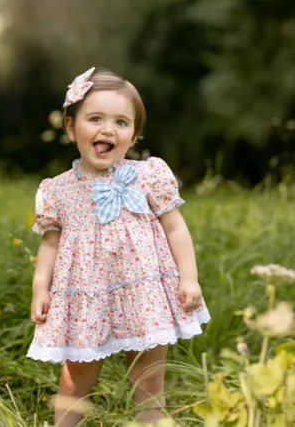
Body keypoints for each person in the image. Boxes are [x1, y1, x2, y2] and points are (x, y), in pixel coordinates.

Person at [27, 67, 211, 426]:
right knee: (76, 376)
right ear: (70, 127)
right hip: (84, 297)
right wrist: (40, 287)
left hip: (144, 293)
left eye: (121, 122)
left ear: (134, 135)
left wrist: (189, 278)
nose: (107, 129)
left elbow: (176, 229)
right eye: (95, 118)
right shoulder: (57, 190)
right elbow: (50, 243)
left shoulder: (149, 176)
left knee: (148, 376)